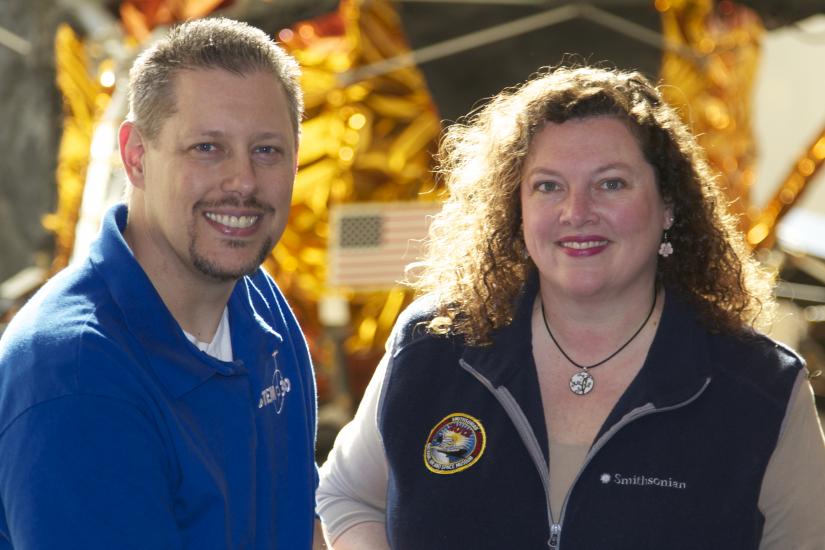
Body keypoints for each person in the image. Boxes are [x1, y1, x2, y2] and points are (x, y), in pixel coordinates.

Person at [315, 66, 825, 549]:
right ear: (515, 208)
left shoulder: (762, 390)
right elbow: (346, 495)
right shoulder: (432, 345)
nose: (576, 212)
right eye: (548, 186)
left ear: (669, 204)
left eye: (611, 183)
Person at [0, 18, 322, 549]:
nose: (242, 180)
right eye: (207, 148)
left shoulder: (259, 306)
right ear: (135, 156)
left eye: (267, 150)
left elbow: (302, 522)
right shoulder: (76, 376)